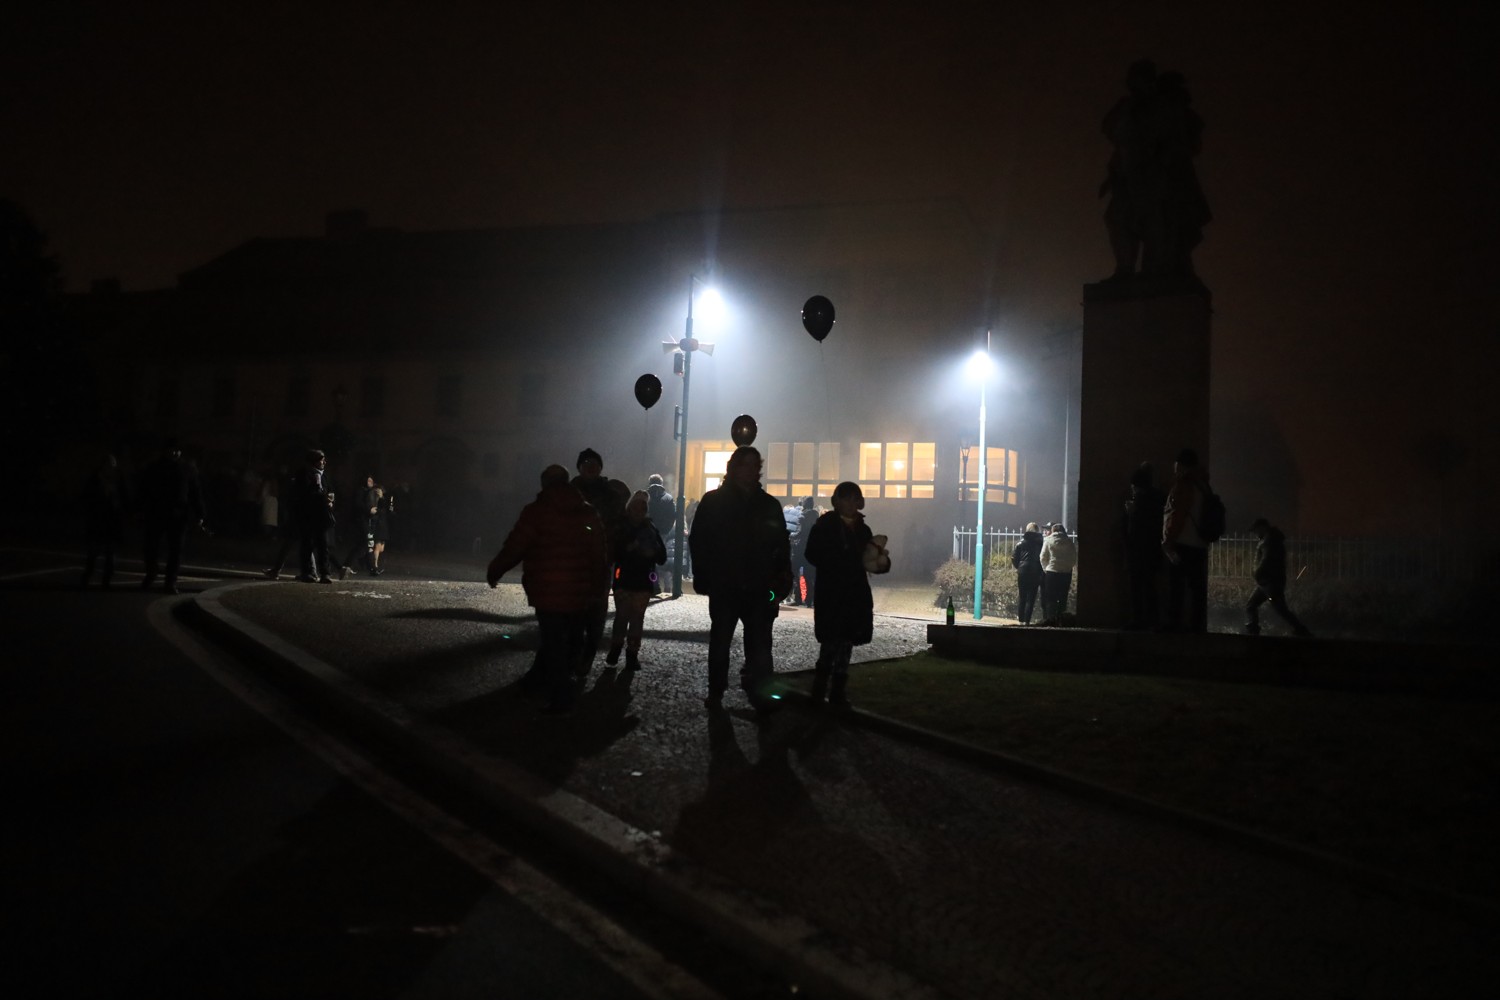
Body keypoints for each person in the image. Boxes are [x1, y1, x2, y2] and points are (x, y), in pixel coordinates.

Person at [486, 464, 611, 715]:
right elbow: (599, 553)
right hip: (579, 591)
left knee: (553, 641)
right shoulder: (587, 512)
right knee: (571, 639)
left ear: (544, 483)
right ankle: (549, 682)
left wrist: (496, 570)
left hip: (547, 589)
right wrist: (598, 587)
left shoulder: (536, 512)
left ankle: (560, 694)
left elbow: (516, 545)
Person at [688, 446, 793, 716]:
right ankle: (717, 690)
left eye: (754, 465)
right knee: (722, 641)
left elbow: (781, 545)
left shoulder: (767, 504)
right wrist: (704, 575)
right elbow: (699, 541)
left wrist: (781, 577)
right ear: (734, 468)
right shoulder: (715, 502)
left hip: (758, 585)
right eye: (745, 465)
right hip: (726, 583)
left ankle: (760, 692)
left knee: (759, 643)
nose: (750, 470)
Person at [804, 482, 888, 708]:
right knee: (830, 643)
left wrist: (880, 563)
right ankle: (818, 691)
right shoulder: (824, 525)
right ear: (836, 501)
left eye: (854, 499)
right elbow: (811, 553)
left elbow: (868, 558)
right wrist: (836, 561)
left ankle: (837, 693)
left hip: (854, 592)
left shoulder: (863, 529)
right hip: (832, 592)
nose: (850, 504)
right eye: (846, 498)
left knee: (846, 644)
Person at [570, 448, 628, 668]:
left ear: (600, 467)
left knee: (596, 610)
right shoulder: (570, 492)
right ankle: (574, 654)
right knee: (574, 610)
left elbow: (620, 525)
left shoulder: (611, 495)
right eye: (586, 463)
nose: (590, 467)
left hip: (602, 560)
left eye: (594, 463)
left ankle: (587, 655)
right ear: (579, 467)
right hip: (574, 560)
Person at [606, 490, 666, 670]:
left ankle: (630, 653)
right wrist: (629, 549)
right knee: (623, 616)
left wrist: (651, 552)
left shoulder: (648, 529)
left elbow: (661, 556)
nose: (639, 512)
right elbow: (614, 552)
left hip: (640, 580)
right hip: (626, 579)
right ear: (630, 508)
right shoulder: (625, 527)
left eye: (642, 508)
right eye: (637, 508)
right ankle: (618, 649)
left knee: (636, 618)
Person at [139, 439, 206, 594]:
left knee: (175, 550)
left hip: (178, 514)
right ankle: (152, 572)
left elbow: (195, 492)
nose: (175, 453)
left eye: (177, 450)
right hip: (157, 512)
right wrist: (140, 508)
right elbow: (144, 489)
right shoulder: (155, 467)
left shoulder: (186, 469)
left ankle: (170, 581)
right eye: (172, 450)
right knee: (151, 546)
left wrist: (200, 513)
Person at [1162, 447, 1211, 632]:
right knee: (1197, 587)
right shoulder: (1204, 486)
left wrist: (1168, 540)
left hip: (1182, 542)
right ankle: (1197, 625)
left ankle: (1174, 623)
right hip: (1200, 543)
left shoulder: (1183, 486)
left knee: (1176, 586)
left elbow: (1177, 516)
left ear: (1181, 465)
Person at [1245, 518, 1312, 637]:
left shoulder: (1269, 541)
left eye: (1256, 530)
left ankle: (1301, 630)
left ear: (1262, 527)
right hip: (1267, 582)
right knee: (1252, 605)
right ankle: (1253, 629)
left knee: (1279, 609)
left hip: (1270, 582)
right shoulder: (1271, 539)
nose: (1255, 534)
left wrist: (1257, 573)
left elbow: (1266, 560)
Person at [1122, 462, 1166, 630]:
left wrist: (1131, 513)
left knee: (1137, 588)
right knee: (1150, 587)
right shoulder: (1159, 499)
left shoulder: (1140, 502)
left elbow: (1136, 528)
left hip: (1139, 551)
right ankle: (1152, 620)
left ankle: (1138, 620)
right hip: (1152, 551)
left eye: (1134, 487)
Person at [81, 454, 125, 588]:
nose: (111, 468)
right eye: (109, 465)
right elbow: (87, 499)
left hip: (111, 522)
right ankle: (87, 577)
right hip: (98, 521)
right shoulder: (95, 481)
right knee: (94, 552)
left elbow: (123, 501)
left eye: (113, 465)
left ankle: (106, 580)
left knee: (109, 554)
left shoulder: (117, 482)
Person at [293, 448, 334, 584]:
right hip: (308, 514)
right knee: (307, 544)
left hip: (322, 515)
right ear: (314, 461)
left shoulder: (324, 476)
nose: (324, 462)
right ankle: (307, 572)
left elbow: (329, 490)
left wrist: (330, 501)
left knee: (323, 545)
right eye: (321, 460)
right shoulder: (304, 474)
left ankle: (325, 573)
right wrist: (320, 496)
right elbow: (302, 494)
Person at [1040, 523, 1078, 624]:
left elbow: (1043, 557)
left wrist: (1046, 568)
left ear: (1053, 530)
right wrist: (1068, 567)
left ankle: (1050, 620)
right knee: (1063, 598)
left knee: (1050, 599)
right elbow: (1073, 557)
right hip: (1065, 573)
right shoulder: (1069, 541)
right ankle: (1061, 621)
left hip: (1052, 573)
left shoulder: (1048, 540)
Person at [645, 472, 676, 594]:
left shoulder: (646, 496)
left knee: (650, 560)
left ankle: (654, 584)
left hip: (648, 532)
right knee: (663, 559)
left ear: (650, 483)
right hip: (663, 532)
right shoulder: (668, 498)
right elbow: (672, 516)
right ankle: (667, 587)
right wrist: (666, 529)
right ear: (662, 483)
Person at [787, 496, 818, 608]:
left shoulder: (803, 516)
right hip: (811, 549)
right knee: (808, 576)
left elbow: (799, 533)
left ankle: (798, 598)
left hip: (799, 549)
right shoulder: (816, 516)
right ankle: (810, 600)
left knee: (795, 574)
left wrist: (790, 535)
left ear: (804, 504)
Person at [1011, 521, 1044, 624]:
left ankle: (1021, 621)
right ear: (1037, 530)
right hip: (1035, 571)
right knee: (1031, 598)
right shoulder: (1041, 543)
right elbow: (1043, 558)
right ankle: (1027, 622)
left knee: (1022, 597)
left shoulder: (1021, 542)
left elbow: (1014, 558)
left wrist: (1019, 567)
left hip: (1023, 572)